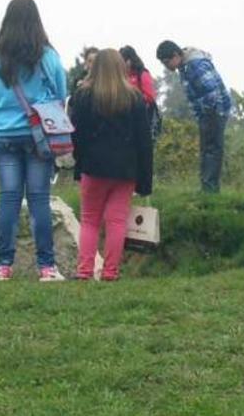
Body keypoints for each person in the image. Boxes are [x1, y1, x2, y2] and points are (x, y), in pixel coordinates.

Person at [0, 0, 68, 282]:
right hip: (38, 135)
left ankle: (3, 265)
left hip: (4, 133)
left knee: (9, 199)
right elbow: (60, 93)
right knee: (39, 200)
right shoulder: (47, 55)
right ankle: (47, 267)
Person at [70, 49, 153, 281]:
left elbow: (77, 135)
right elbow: (144, 142)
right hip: (125, 170)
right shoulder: (134, 98)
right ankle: (110, 271)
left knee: (89, 220)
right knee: (116, 221)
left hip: (93, 166)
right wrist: (145, 180)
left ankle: (85, 271)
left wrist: (79, 162)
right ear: (121, 68)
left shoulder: (84, 96)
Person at [156, 40, 232, 193]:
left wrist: (208, 114)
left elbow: (212, 91)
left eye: (166, 62)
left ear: (176, 55)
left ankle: (210, 188)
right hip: (206, 113)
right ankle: (206, 186)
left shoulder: (195, 65)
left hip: (215, 110)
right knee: (206, 149)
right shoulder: (184, 68)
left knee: (212, 149)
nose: (167, 66)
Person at [119, 45, 161, 139]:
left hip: (143, 118)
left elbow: (150, 97)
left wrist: (131, 98)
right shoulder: (122, 78)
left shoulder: (142, 74)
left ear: (129, 61)